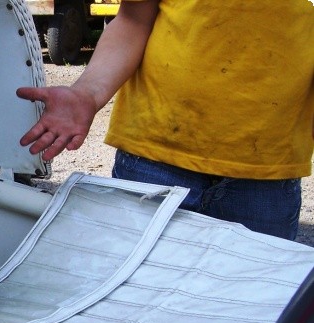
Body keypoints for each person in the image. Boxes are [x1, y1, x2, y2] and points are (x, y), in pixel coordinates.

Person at [17, 0, 314, 240]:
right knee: (136, 298)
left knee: (250, 307)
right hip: (154, 161)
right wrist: (86, 93)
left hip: (268, 174)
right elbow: (134, 18)